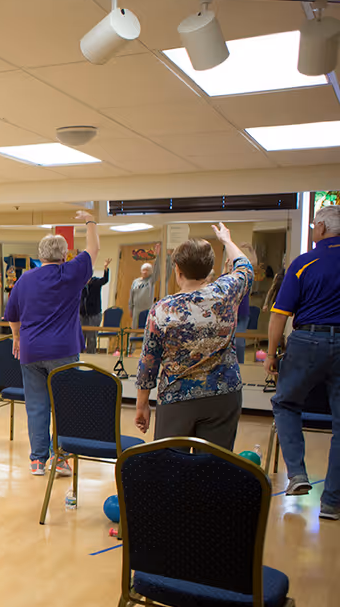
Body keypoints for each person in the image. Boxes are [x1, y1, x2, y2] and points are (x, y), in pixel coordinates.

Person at [133, 225, 253, 449]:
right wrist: (226, 240)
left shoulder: (162, 310)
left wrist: (142, 404)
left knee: (171, 468)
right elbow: (245, 266)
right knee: (213, 468)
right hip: (223, 396)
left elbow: (149, 361)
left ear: (177, 270)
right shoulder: (226, 292)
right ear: (209, 269)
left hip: (176, 398)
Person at [4, 212, 99, 476]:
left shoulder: (25, 279)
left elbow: (12, 314)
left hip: (31, 351)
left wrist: (17, 337)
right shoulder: (71, 273)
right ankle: (62, 459)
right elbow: (94, 249)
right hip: (63, 351)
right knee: (65, 404)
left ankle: (37, 461)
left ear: (40, 255)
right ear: (65, 255)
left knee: (37, 405)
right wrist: (90, 221)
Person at [266, 204, 340, 517]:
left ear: (321, 229)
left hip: (307, 340)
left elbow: (279, 315)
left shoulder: (303, 263)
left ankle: (297, 474)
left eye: (313, 227)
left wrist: (270, 355)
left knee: (285, 403)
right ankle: (332, 504)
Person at [79, 258, 111, 353]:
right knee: (80, 337)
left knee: (91, 338)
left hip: (94, 314)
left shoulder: (96, 282)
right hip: (82, 315)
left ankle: (91, 356)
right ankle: (79, 356)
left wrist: (105, 268)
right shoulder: (80, 285)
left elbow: (105, 280)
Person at [128, 263, 154, 327]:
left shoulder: (151, 281)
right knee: (134, 328)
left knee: (146, 328)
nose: (145, 272)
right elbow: (131, 295)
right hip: (136, 308)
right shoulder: (135, 282)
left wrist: (158, 256)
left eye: (147, 270)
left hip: (147, 308)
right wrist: (130, 308)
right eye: (144, 270)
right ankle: (132, 337)